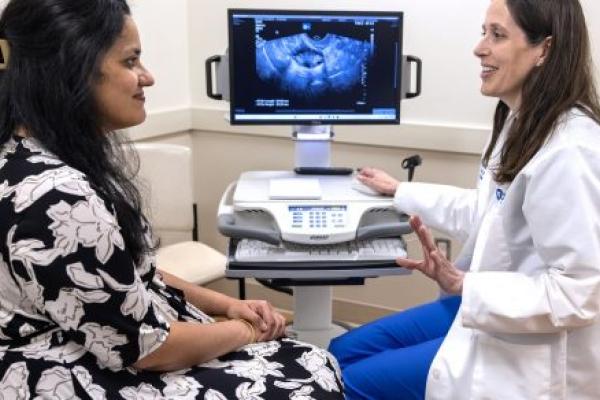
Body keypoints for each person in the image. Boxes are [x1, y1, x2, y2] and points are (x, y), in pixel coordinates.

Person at [0, 1, 344, 399]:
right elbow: (145, 348)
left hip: (113, 341)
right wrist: (247, 330)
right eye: (131, 62)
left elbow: (127, 276)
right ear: (70, 69)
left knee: (306, 358)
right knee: (309, 370)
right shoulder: (56, 195)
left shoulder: (32, 154)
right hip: (63, 370)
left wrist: (227, 305)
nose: (148, 77)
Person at [328, 0, 600, 398]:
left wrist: (463, 284)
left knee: (349, 383)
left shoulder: (569, 150)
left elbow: (580, 293)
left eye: (498, 35)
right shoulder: (520, 121)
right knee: (339, 351)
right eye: (483, 31)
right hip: (487, 304)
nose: (479, 47)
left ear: (544, 49)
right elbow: (487, 212)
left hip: (528, 345)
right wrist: (400, 191)